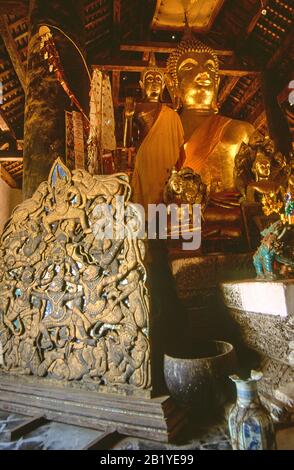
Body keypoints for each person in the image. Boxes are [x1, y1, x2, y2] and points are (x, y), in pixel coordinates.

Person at [166, 32, 255, 242]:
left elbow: (267, 177)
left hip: (235, 218)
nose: (203, 72)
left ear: (217, 81)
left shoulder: (242, 129)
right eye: (188, 67)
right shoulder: (165, 133)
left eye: (210, 67)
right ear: (173, 85)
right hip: (188, 221)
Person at [125, 54, 185, 213]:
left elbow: (179, 145)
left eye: (158, 80)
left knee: (166, 195)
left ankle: (166, 224)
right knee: (146, 195)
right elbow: (126, 142)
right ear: (141, 84)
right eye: (149, 79)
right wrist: (128, 118)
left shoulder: (171, 114)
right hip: (145, 157)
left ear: (164, 85)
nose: (154, 83)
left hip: (166, 160)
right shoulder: (137, 107)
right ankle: (145, 224)